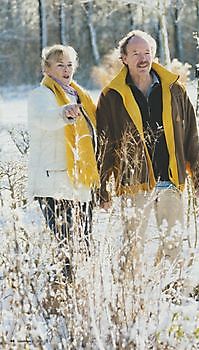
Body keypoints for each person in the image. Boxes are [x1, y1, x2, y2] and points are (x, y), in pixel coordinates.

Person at [96, 30, 199, 273]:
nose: (142, 58)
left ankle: (171, 292)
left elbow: (191, 135)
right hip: (134, 182)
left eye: (147, 52)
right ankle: (132, 299)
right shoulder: (111, 96)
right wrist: (102, 187)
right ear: (124, 58)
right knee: (131, 245)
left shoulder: (174, 89)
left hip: (170, 179)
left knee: (173, 243)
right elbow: (104, 145)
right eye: (135, 53)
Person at [28, 44, 100, 280]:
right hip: (54, 183)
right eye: (60, 65)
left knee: (85, 245)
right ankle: (61, 296)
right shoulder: (41, 95)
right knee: (65, 248)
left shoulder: (80, 95)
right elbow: (44, 119)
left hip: (80, 182)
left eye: (69, 64)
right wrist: (64, 112)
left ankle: (83, 294)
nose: (66, 69)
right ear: (47, 69)